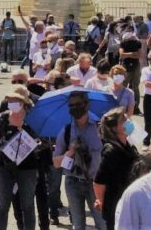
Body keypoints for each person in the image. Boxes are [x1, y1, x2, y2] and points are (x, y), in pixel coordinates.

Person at [0, 91, 42, 230]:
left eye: (14, 101)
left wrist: (31, 141)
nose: (11, 103)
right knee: (3, 206)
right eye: (9, 100)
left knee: (28, 206)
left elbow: (43, 141)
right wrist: (2, 146)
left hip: (27, 168)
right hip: (4, 166)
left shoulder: (32, 119)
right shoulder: (3, 117)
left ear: (23, 103)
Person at [52, 90, 106, 230]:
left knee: (102, 223)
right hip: (73, 182)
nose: (75, 108)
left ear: (87, 105)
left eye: (78, 104)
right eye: (71, 105)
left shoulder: (101, 128)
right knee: (78, 224)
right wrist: (69, 153)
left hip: (97, 183)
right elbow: (56, 163)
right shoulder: (66, 131)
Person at [93, 107, 139, 230]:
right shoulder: (111, 150)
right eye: (123, 120)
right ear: (115, 128)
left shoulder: (128, 145)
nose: (128, 121)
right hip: (116, 205)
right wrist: (101, 201)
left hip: (129, 202)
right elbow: (99, 182)